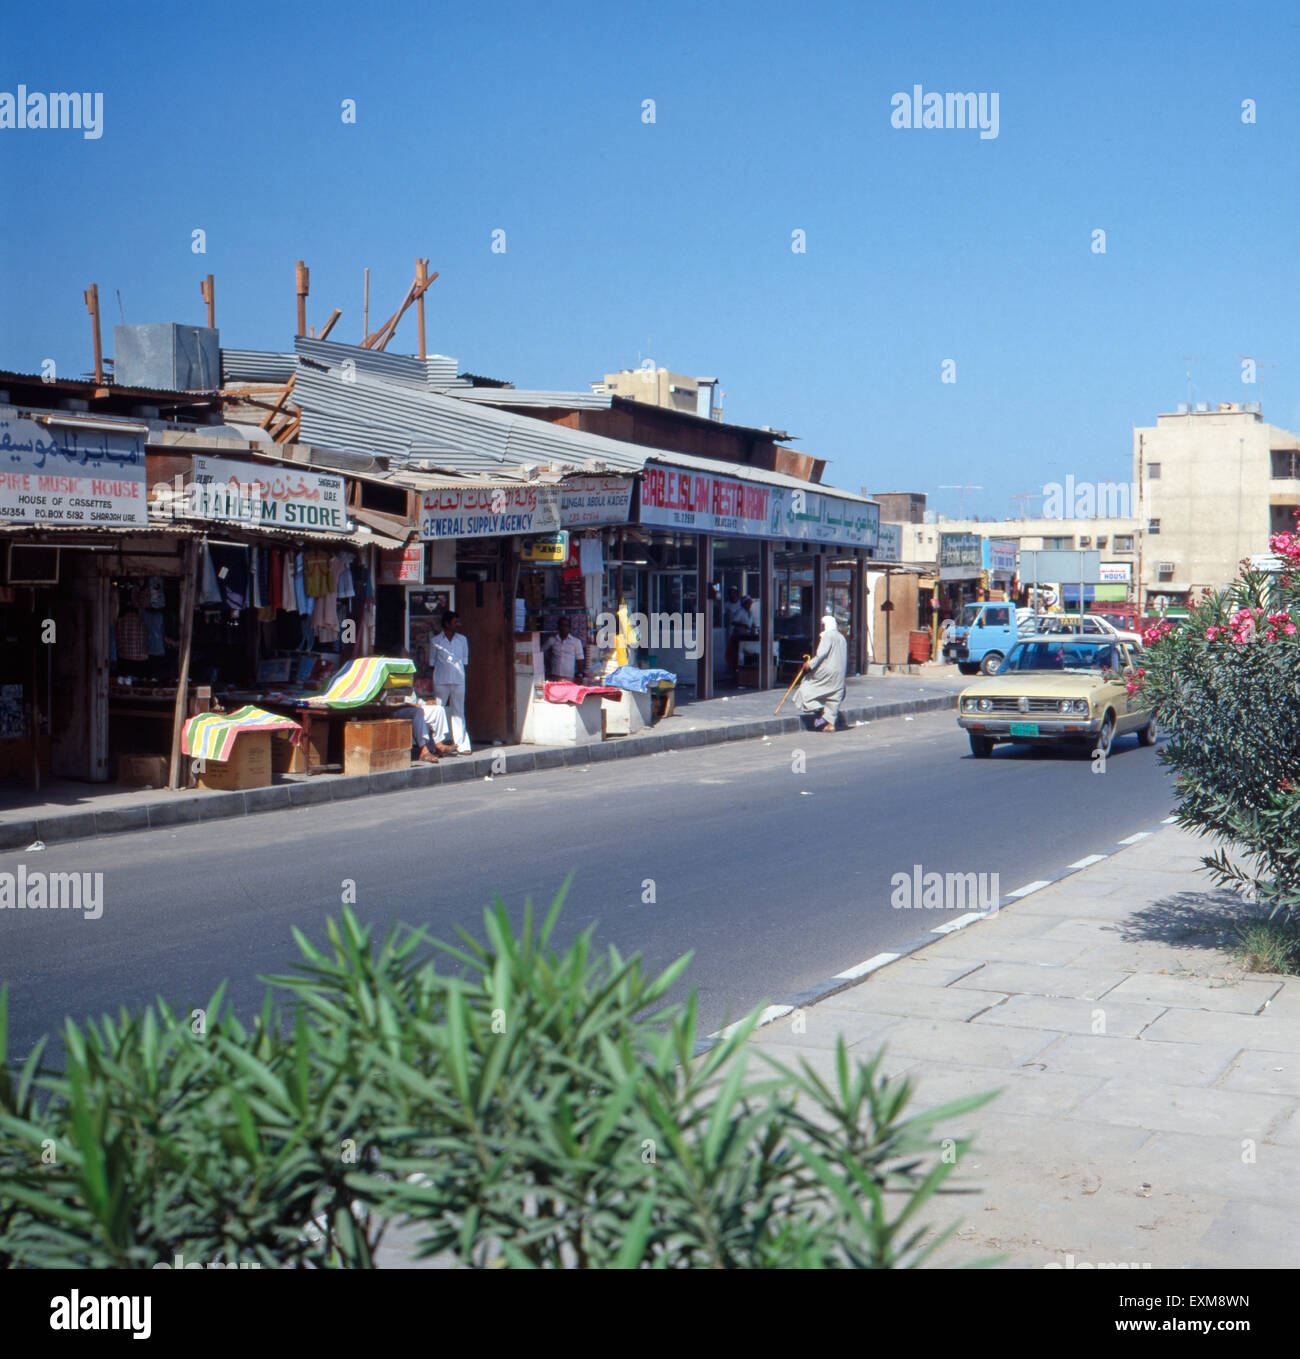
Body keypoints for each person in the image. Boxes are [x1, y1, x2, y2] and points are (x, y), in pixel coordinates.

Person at [429, 610, 471, 753]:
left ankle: (461, 744)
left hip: (458, 680)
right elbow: (432, 662)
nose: (458, 624)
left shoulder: (462, 640)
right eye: (455, 622)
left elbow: (464, 661)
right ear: (447, 624)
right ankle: (436, 744)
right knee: (438, 711)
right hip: (440, 680)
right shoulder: (435, 641)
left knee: (459, 711)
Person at [798, 613, 848, 732]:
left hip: (827, 672)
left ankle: (820, 709)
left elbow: (821, 654)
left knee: (805, 688)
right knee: (834, 697)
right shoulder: (842, 638)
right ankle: (830, 724)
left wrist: (809, 665)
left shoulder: (828, 636)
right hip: (839, 673)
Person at [401, 697, 458, 763]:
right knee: (418, 712)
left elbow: (412, 698)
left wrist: (424, 703)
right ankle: (423, 751)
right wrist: (413, 705)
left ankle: (439, 745)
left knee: (438, 709)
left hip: (413, 706)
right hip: (398, 708)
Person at [544, 616, 585, 681]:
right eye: (561, 625)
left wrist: (580, 674)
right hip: (554, 675)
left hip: (569, 676)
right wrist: (547, 664)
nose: (563, 628)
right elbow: (541, 652)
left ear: (569, 628)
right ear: (558, 627)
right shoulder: (552, 640)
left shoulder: (576, 642)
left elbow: (579, 659)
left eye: (566, 626)